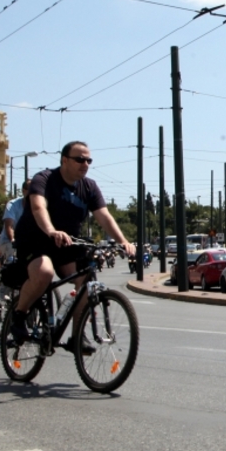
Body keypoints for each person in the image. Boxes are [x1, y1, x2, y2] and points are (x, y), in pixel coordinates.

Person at [9, 142, 135, 346]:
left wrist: (123, 242)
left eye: (88, 160)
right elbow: (38, 207)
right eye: (80, 159)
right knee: (44, 273)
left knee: (85, 280)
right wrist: (51, 231)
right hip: (35, 240)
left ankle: (77, 337)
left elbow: (104, 216)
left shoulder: (90, 186)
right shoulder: (45, 179)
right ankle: (19, 316)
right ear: (64, 160)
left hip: (66, 243)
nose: (85, 164)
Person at [0, 180, 30, 264]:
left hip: (25, 242)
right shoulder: (13, 205)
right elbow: (9, 226)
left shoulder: (37, 206)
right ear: (23, 191)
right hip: (8, 241)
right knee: (12, 262)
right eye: (29, 189)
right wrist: (13, 240)